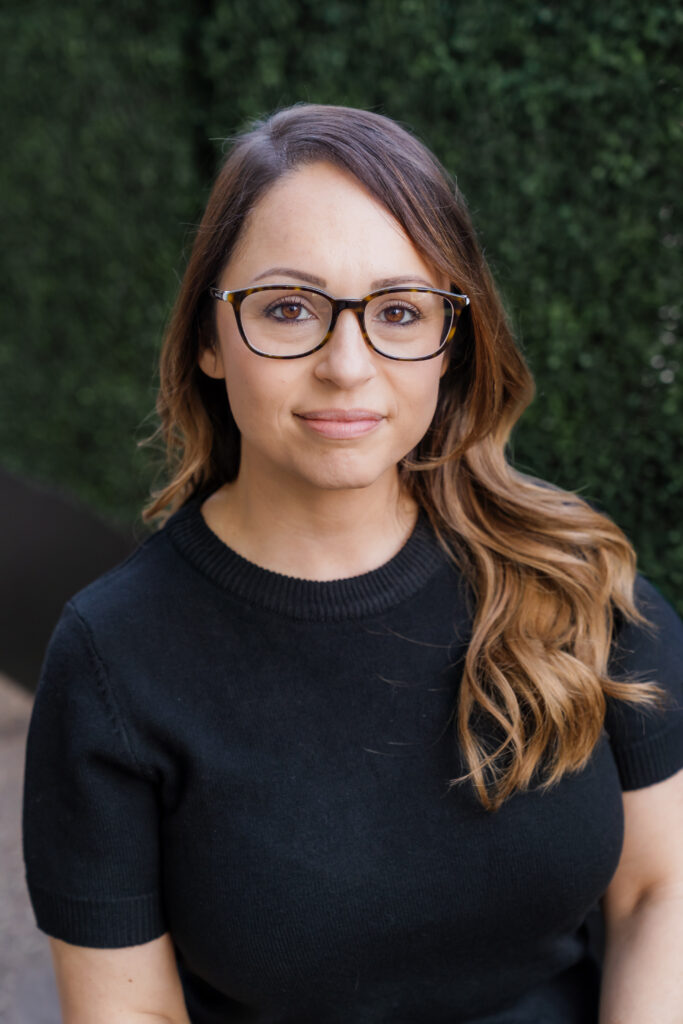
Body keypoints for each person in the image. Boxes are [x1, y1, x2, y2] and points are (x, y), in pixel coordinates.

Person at [22, 103, 683, 1024]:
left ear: (451, 343)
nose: (346, 364)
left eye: (399, 311)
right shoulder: (113, 659)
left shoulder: (570, 578)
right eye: (288, 308)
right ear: (209, 339)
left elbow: (658, 893)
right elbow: (130, 1011)